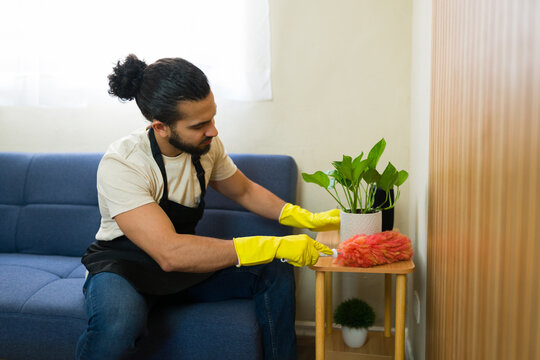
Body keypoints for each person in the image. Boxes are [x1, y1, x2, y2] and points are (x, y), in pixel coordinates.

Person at [76, 54, 340, 360]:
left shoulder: (206, 147)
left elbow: (244, 190)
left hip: (185, 265)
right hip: (125, 268)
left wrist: (307, 218)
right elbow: (170, 253)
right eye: (200, 125)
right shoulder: (124, 163)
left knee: (274, 271)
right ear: (161, 127)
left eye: (213, 118)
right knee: (117, 326)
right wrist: (273, 244)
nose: (213, 130)